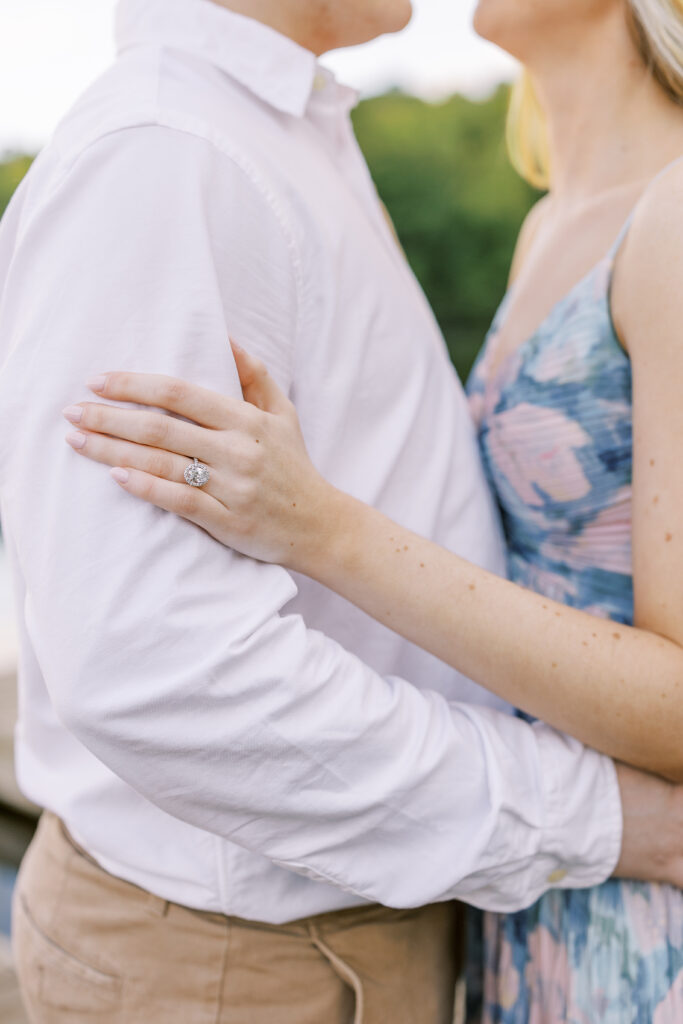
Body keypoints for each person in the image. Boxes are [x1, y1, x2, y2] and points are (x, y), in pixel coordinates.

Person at [1, 0, 682, 1020]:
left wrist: (319, 524)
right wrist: (597, 818)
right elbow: (159, 670)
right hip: (248, 959)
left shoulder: (285, 134)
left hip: (435, 916)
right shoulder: (170, 155)